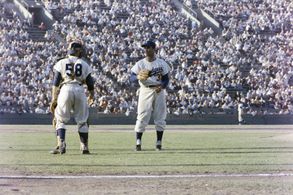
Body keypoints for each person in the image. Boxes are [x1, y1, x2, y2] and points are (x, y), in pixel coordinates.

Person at [49, 39, 95, 154]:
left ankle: (61, 144)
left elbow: (55, 82)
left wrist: (54, 98)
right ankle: (84, 146)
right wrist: (91, 96)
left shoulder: (61, 62)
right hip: (79, 89)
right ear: (79, 51)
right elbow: (90, 83)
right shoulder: (84, 63)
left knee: (60, 119)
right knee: (82, 120)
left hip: (65, 89)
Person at [130, 40, 171, 151]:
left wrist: (162, 87)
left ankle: (159, 142)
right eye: (145, 48)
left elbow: (166, 79)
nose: (146, 50)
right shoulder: (140, 63)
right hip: (145, 89)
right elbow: (131, 77)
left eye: (148, 47)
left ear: (154, 49)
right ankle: (138, 143)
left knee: (160, 117)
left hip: (159, 90)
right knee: (142, 115)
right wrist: (137, 77)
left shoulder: (161, 63)